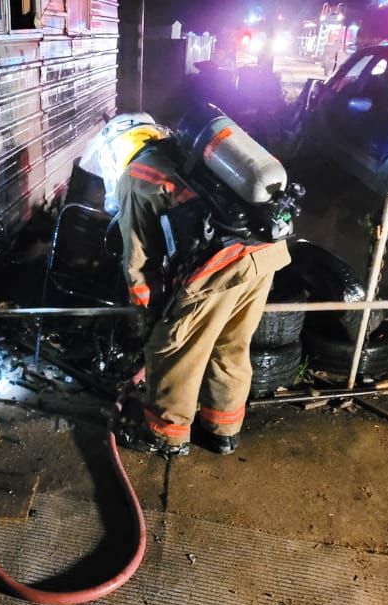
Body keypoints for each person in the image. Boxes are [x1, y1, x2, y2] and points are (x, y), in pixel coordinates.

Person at [115, 117, 291, 457]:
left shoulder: (136, 175)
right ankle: (222, 431)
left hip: (221, 265)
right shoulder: (194, 156)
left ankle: (167, 436)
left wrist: (145, 314)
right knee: (231, 344)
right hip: (265, 252)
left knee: (172, 351)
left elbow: (137, 259)